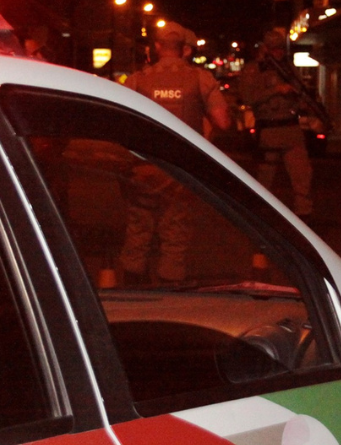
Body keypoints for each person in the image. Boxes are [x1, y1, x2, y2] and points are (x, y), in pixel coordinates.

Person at [117, 21, 231, 285]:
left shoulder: (137, 80)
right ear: (183, 49)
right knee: (176, 232)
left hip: (144, 167)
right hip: (181, 169)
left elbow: (120, 124)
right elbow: (223, 122)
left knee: (138, 228)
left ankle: (133, 289)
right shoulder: (200, 79)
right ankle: (171, 288)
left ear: (157, 46)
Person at [239, 29, 314, 218]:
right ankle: (261, 214)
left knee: (302, 175)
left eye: (281, 49)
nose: (278, 53)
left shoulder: (288, 68)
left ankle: (303, 213)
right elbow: (248, 97)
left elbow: (299, 91)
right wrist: (276, 90)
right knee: (265, 176)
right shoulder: (254, 69)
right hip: (269, 129)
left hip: (291, 127)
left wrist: (303, 101)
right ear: (265, 49)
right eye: (274, 49)